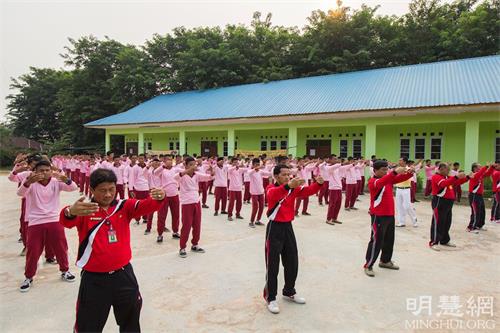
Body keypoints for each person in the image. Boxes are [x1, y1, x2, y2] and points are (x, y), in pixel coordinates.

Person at [60, 168, 165, 332]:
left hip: (124, 275)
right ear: (92, 190)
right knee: (88, 326)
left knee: (130, 322)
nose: (108, 195)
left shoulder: (124, 206)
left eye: (111, 189)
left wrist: (160, 197)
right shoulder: (85, 209)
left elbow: (148, 205)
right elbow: (66, 221)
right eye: (102, 190)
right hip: (94, 280)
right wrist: (70, 211)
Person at [263, 164, 323, 314]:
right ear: (276, 176)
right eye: (284, 174)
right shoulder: (271, 188)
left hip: (288, 228)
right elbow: (273, 196)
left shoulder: (293, 189)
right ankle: (271, 297)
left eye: (289, 174)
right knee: (273, 265)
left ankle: (289, 291)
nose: (288, 177)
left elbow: (308, 191)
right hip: (274, 228)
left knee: (292, 261)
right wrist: (288, 186)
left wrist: (319, 183)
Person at [17, 160, 78, 292]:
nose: (44, 173)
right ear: (35, 172)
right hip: (35, 221)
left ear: (51, 171)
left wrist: (66, 179)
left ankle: (65, 271)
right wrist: (28, 182)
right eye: (41, 171)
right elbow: (20, 193)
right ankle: (28, 277)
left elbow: (73, 188)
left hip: (55, 219)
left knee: (61, 247)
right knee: (33, 250)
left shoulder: (56, 182)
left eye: (47, 170)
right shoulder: (31, 183)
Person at [363, 160, 414, 277]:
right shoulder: (373, 181)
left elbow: (399, 179)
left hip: (389, 214)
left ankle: (385, 261)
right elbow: (383, 181)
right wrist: (394, 172)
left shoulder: (388, 179)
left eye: (387, 169)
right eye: (383, 170)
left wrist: (411, 172)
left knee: (389, 240)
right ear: (375, 170)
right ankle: (368, 265)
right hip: (378, 215)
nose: (386, 172)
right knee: (376, 241)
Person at [174, 157, 213, 258]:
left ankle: (195, 244)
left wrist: (212, 170)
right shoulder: (182, 175)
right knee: (186, 226)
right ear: (186, 165)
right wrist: (187, 171)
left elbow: (208, 177)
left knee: (197, 225)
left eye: (194, 164)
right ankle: (182, 247)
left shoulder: (197, 175)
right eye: (190, 164)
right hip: (187, 202)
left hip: (196, 201)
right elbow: (175, 178)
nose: (193, 166)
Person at [429, 163, 470, 251]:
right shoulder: (436, 177)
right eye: (447, 170)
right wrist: (456, 177)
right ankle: (434, 242)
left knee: (447, 222)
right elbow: (443, 184)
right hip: (440, 202)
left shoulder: (447, 177)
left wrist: (468, 178)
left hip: (448, 203)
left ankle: (444, 240)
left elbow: (457, 182)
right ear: (442, 169)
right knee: (438, 222)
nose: (449, 171)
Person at [156, 155, 181, 242]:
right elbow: (155, 173)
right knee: (162, 215)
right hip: (164, 195)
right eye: (167, 160)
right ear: (164, 161)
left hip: (174, 194)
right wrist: (163, 166)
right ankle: (160, 234)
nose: (169, 161)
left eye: (171, 160)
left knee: (176, 215)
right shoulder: (162, 170)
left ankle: (175, 231)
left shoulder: (176, 169)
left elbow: (184, 172)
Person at [466, 163, 494, 232]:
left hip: (479, 195)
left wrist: (492, 167)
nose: (481, 167)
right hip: (474, 196)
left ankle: (479, 225)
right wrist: (486, 166)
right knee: (475, 211)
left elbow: (487, 173)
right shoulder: (473, 174)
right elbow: (480, 173)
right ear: (475, 168)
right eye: (480, 167)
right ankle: (471, 227)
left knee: (482, 211)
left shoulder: (480, 175)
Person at [248, 158, 272, 228]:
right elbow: (250, 172)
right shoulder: (250, 171)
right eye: (256, 164)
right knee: (255, 207)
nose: (257, 166)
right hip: (254, 192)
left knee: (261, 207)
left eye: (258, 164)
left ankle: (258, 220)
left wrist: (274, 169)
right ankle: (251, 221)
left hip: (261, 191)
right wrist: (255, 168)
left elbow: (269, 174)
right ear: (253, 165)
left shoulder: (260, 171)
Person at [395, 157, 418, 227]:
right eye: (399, 160)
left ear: (405, 162)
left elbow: (411, 177)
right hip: (398, 189)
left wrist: (411, 171)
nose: (399, 161)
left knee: (407, 206)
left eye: (401, 160)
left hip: (406, 189)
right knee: (399, 206)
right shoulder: (397, 169)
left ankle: (414, 220)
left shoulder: (409, 169)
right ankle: (401, 222)